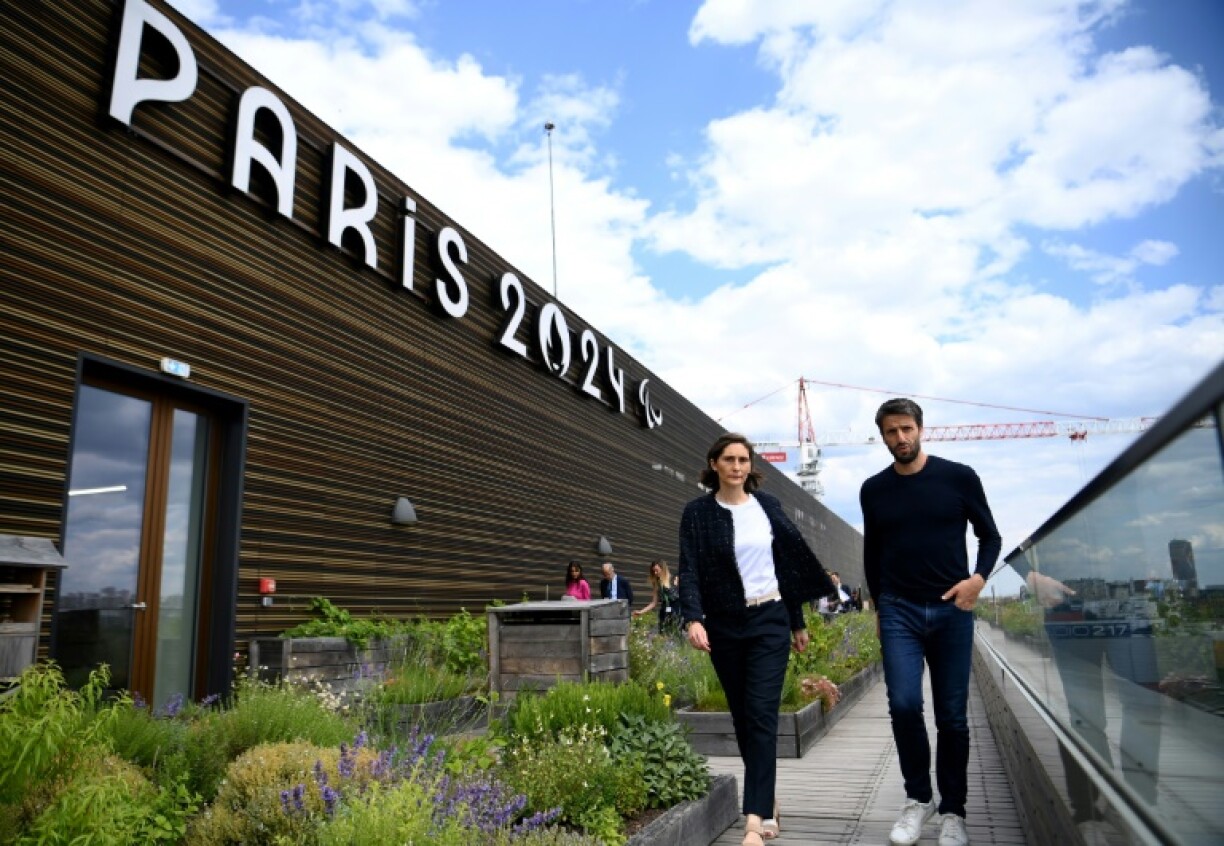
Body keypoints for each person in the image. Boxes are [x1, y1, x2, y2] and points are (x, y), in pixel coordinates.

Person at [679, 433, 835, 846]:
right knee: (745, 718)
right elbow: (689, 567)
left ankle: (754, 818)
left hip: (770, 618)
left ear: (751, 465)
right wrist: (693, 618)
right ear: (714, 464)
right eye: (729, 459)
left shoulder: (768, 507)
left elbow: (786, 567)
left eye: (744, 459)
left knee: (763, 715)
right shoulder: (697, 513)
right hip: (725, 624)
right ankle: (767, 801)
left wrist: (797, 621)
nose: (737, 466)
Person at [860, 398, 1001, 846]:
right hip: (899, 608)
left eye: (906, 429)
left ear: (921, 428)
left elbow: (989, 535)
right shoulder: (873, 489)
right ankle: (917, 800)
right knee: (903, 704)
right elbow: (872, 553)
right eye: (890, 433)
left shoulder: (959, 477)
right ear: (882, 437)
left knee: (953, 717)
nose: (900, 439)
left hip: (952, 609)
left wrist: (977, 579)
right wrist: (881, 606)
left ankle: (953, 811)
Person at [633, 560, 681, 634]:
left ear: (663, 569)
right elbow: (654, 602)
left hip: (676, 609)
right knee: (663, 633)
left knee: (676, 633)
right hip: (665, 610)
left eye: (656, 570)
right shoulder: (657, 583)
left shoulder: (674, 579)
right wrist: (641, 612)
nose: (655, 573)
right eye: (653, 571)